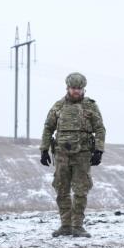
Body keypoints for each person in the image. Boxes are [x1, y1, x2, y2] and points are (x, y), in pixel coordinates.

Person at [40, 72, 105, 238]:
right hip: (61, 155)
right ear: (68, 88)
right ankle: (65, 225)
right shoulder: (58, 106)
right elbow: (48, 128)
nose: (76, 91)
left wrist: (99, 150)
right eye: (73, 88)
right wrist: (44, 150)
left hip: (82, 155)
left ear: (84, 89)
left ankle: (77, 226)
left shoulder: (90, 106)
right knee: (61, 190)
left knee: (81, 190)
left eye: (79, 88)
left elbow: (99, 129)